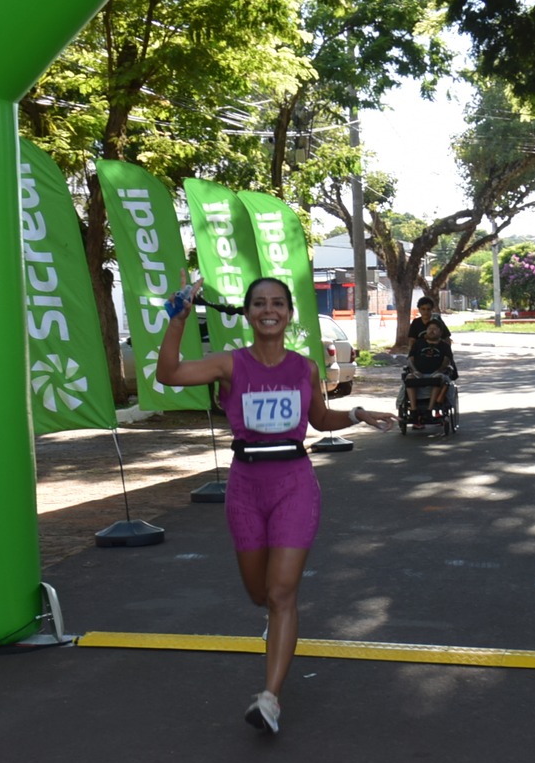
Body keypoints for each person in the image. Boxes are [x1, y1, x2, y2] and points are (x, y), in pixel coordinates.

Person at [157, 275, 394, 736]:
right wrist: (178, 320)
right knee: (260, 594)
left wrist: (357, 414)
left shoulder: (305, 368)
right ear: (248, 314)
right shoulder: (230, 364)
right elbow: (168, 375)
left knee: (283, 593)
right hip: (245, 487)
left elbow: (319, 418)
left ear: (289, 313)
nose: (270, 310)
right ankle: (275, 628)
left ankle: (270, 699)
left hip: (294, 484)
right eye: (260, 303)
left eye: (278, 303)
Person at [405, 318, 457, 417]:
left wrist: (439, 370)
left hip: (436, 373)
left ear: (440, 332)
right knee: (409, 379)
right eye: (429, 328)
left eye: (435, 329)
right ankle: (413, 409)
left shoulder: (444, 346)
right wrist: (415, 371)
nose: (432, 331)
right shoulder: (418, 344)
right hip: (418, 373)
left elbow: (447, 361)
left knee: (437, 378)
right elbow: (410, 359)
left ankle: (430, 409)